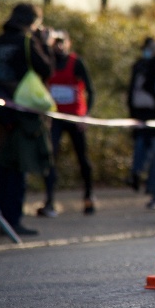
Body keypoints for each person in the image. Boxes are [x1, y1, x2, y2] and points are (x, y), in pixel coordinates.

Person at [0, 3, 55, 236]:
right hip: (22, 112)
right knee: (18, 169)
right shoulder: (26, 41)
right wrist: (45, 44)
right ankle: (12, 221)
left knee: (3, 168)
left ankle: (2, 218)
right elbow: (46, 69)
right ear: (31, 22)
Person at [39, 31, 96, 217]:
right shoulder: (47, 62)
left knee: (82, 157)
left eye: (62, 42)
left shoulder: (76, 62)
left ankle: (89, 197)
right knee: (50, 157)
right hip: (55, 118)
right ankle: (49, 201)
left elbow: (91, 91)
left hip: (75, 118)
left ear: (68, 43)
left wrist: (85, 115)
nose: (59, 45)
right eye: (56, 42)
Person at [127, 37, 155, 211]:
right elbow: (132, 92)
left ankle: (154, 191)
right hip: (141, 116)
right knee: (143, 147)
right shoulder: (141, 66)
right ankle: (138, 176)